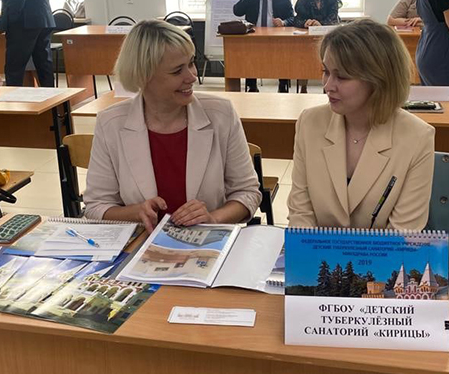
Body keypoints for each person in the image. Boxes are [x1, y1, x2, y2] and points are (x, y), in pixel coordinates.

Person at [84, 20, 261, 232]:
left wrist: (213, 219)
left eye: (191, 63)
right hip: (142, 243)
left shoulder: (221, 114)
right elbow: (95, 206)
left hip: (207, 243)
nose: (192, 76)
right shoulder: (110, 123)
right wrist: (135, 212)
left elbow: (248, 192)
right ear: (143, 76)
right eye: (177, 71)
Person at [288, 19, 435, 230]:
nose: (328, 86)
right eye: (326, 71)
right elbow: (301, 214)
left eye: (342, 76)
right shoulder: (310, 123)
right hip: (315, 251)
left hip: (385, 253)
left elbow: (403, 234)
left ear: (379, 80)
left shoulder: (417, 137)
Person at [233, 0, 295, 92]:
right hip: (254, 36)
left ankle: (283, 85)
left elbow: (292, 18)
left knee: (283, 55)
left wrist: (284, 22)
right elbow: (237, 11)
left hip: (277, 37)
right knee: (250, 56)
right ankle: (252, 86)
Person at [1, 0, 56, 87]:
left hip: (23, 19)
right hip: (43, 16)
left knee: (14, 67)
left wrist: (10, 18)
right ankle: (50, 93)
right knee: (43, 63)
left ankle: (13, 95)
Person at [293, 0, 342, 93]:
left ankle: (327, 88)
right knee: (305, 60)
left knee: (327, 60)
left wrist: (320, 24)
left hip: (328, 37)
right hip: (307, 39)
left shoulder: (332, 1)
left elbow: (333, 19)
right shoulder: (302, 2)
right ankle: (303, 87)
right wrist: (305, 22)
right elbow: (296, 20)